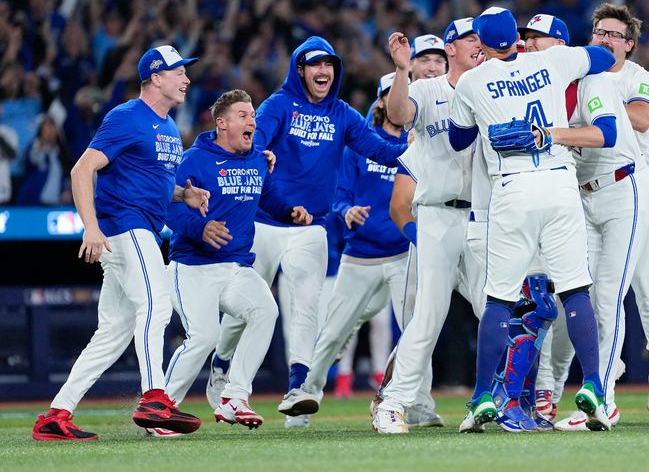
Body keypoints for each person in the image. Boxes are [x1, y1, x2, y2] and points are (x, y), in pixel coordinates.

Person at [206, 36, 407, 429]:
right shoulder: (279, 105)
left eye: (329, 65)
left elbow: (380, 149)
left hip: (311, 226)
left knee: (306, 308)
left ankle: (298, 387)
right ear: (300, 70)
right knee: (242, 309)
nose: (324, 72)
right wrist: (262, 161)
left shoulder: (344, 115)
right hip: (264, 222)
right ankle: (222, 361)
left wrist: (415, 148)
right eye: (315, 65)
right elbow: (255, 143)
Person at [445, 6, 616, 433]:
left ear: (481, 44)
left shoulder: (471, 80)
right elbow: (605, 57)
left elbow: (458, 137)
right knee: (575, 289)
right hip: (560, 182)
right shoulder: (552, 60)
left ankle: (484, 394)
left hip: (513, 187)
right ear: (515, 41)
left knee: (499, 299)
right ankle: (593, 384)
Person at [32, 46, 208, 441]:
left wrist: (184, 196)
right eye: (179, 72)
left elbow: (150, 181)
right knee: (157, 302)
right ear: (156, 76)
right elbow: (82, 169)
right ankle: (155, 398)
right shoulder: (127, 116)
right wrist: (89, 227)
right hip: (126, 228)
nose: (186, 79)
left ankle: (56, 416)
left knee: (113, 332)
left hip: (139, 227)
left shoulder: (167, 128)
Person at [529, 6, 649, 430]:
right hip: (583, 195)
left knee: (618, 293)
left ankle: (609, 395)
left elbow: (631, 123)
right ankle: (560, 390)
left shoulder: (607, 78)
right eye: (599, 32)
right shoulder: (567, 81)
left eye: (614, 34)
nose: (605, 39)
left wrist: (555, 134)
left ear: (629, 42)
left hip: (625, 187)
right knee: (580, 298)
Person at [156, 89, 309, 436]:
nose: (252, 120)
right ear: (221, 123)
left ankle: (234, 396)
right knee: (205, 335)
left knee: (265, 311)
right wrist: (200, 227)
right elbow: (169, 207)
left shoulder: (257, 157)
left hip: (235, 265)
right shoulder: (194, 159)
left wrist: (288, 210)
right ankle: (161, 407)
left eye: (252, 114)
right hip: (191, 265)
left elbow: (267, 196)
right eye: (243, 114)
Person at [370, 18, 486, 434]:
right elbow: (399, 115)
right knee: (429, 313)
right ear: (452, 47)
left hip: (482, 216)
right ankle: (394, 402)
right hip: (437, 213)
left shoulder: (490, 86)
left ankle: (497, 400)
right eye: (470, 39)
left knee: (494, 308)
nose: (479, 45)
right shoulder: (427, 87)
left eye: (482, 39)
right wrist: (402, 69)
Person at [278, 72, 409, 418]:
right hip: (360, 255)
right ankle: (306, 396)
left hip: (402, 253)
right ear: (382, 101)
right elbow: (339, 193)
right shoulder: (360, 142)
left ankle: (413, 400)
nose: (401, 102)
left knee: (415, 328)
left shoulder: (416, 142)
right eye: (393, 95)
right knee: (333, 333)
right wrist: (346, 210)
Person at [369, 33, 451, 428]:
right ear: (413, 65)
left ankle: (509, 397)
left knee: (494, 308)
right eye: (426, 59)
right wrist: (418, 233)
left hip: (475, 224)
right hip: (429, 226)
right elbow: (400, 203)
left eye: (439, 59)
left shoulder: (468, 98)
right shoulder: (412, 106)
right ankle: (402, 399)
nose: (433, 65)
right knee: (421, 319)